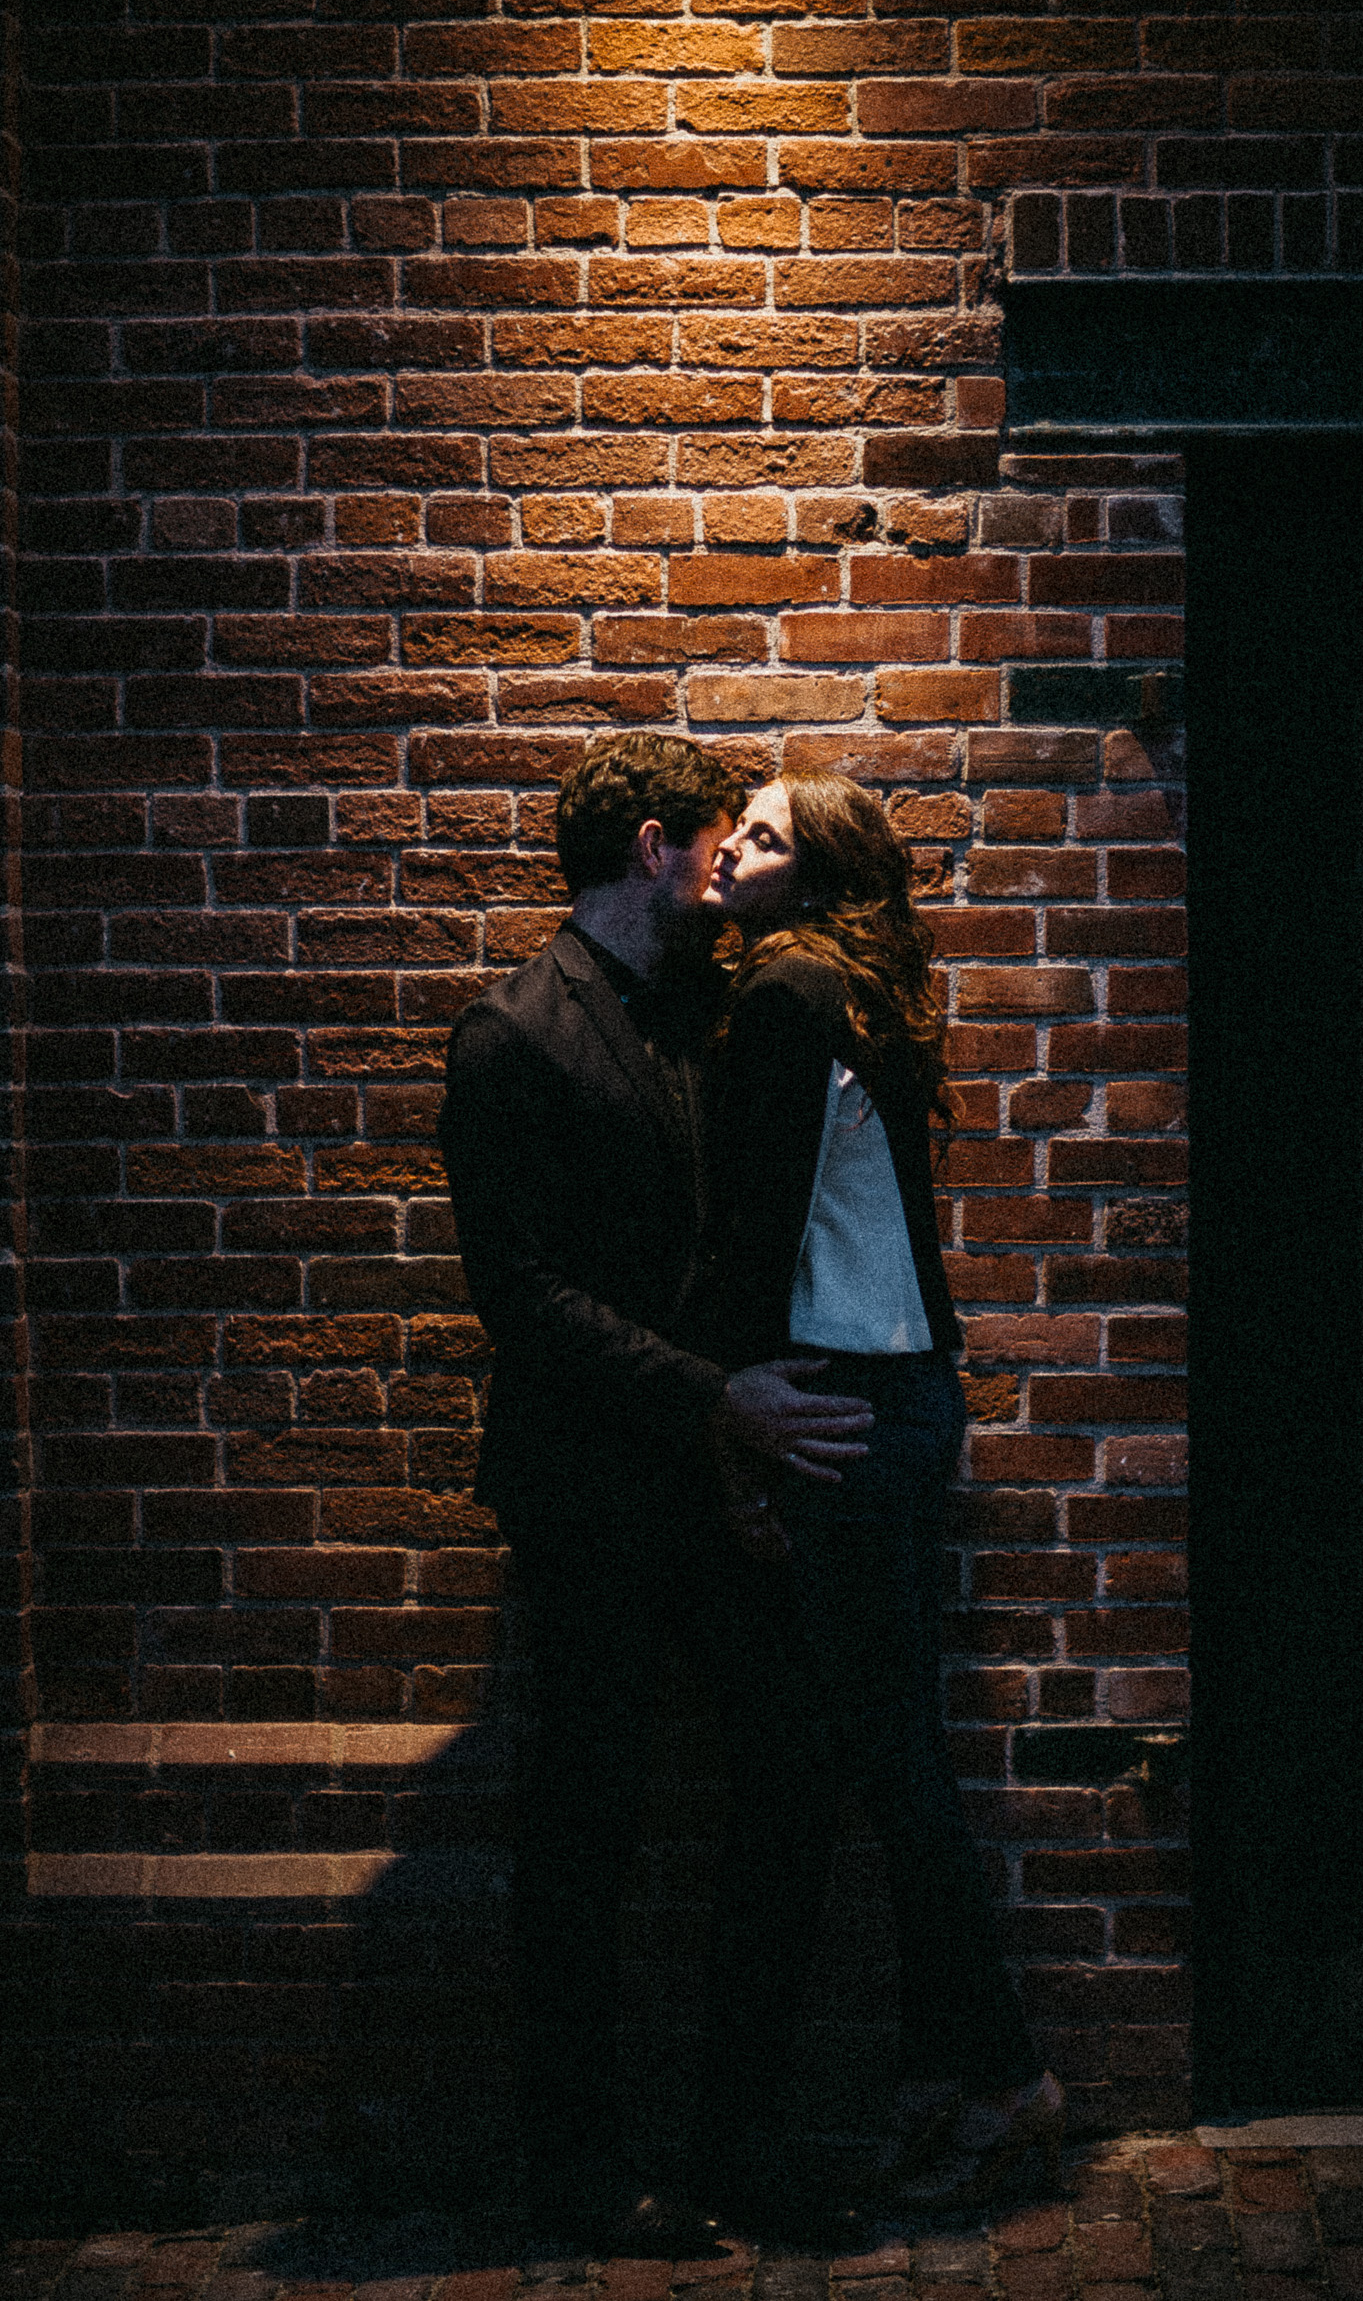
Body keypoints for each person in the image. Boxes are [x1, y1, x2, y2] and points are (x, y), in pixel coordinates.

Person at [438, 734, 873, 2255]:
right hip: (588, 1487)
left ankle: (736, 2142)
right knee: (589, 1820)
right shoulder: (512, 1036)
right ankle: (579, 2171)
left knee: (793, 1759)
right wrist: (720, 1401)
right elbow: (525, 1297)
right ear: (648, 847)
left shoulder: (702, 1007)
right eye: (707, 842)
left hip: (699, 1478)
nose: (721, 869)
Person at [699, 772, 1065, 2212]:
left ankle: (1001, 2071)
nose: (735, 845)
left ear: (822, 877)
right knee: (887, 1748)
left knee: (891, 1760)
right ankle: (939, 2076)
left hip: (835, 1400)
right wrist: (951, 1384)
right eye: (740, 824)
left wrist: (733, 1432)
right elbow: (907, 1222)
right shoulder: (863, 997)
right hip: (902, 1395)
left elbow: (748, 1236)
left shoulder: (786, 994)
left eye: (770, 837)